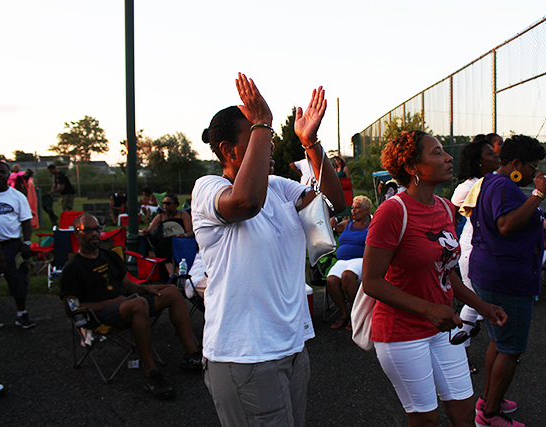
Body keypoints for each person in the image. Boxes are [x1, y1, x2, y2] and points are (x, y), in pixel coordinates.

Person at [192, 73, 344, 427]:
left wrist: (311, 144)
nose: (270, 143)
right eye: (259, 136)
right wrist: (264, 122)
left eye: (269, 136)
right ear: (229, 150)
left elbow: (332, 203)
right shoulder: (209, 188)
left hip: (290, 347)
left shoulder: (278, 186)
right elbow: (245, 202)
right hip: (245, 355)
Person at [362, 130, 507, 427]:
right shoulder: (392, 211)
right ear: (413, 167)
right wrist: (428, 309)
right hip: (401, 333)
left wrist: (482, 306)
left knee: (464, 414)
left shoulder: (444, 208)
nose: (449, 157)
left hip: (441, 329)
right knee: (426, 420)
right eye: (437, 152)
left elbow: (446, 271)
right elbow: (372, 281)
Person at [60, 213, 202, 399]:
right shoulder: (72, 268)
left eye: (97, 229)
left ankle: (192, 355)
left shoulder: (109, 256)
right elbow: (72, 309)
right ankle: (151, 374)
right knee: (138, 304)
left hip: (128, 305)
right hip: (100, 315)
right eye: (88, 230)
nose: (95, 234)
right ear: (77, 234)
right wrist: (110, 303)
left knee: (172, 292)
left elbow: (128, 286)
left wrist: (149, 289)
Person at [464, 134, 546, 427]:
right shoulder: (504, 186)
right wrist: (537, 195)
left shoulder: (489, 181)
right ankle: (489, 415)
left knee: (498, 342)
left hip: (491, 272)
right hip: (507, 278)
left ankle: (489, 400)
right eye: (532, 167)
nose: (534, 174)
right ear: (516, 163)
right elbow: (506, 225)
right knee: (510, 349)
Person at [451, 138, 500, 374]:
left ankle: (500, 352)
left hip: (491, 250)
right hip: (473, 249)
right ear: (479, 160)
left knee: (490, 302)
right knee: (473, 301)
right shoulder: (467, 187)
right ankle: (459, 356)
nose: (496, 156)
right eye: (490, 153)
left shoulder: (495, 181)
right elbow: (449, 217)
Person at [0, 161, 35, 328]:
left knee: (18, 279)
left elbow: (26, 221)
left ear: (8, 174)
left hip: (12, 244)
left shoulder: (17, 196)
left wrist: (26, 242)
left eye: (1, 172)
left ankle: (21, 314)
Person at [327, 195, 372, 330]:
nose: (353, 211)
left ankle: (357, 314)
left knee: (347, 276)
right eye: (352, 208)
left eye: (357, 208)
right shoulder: (348, 224)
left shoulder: (372, 225)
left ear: (366, 210)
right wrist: (332, 220)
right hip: (342, 261)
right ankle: (344, 314)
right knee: (331, 280)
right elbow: (332, 226)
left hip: (361, 260)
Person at [139, 194, 193, 277]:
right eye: (163, 203)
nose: (165, 206)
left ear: (175, 205)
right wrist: (145, 230)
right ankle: (173, 273)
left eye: (168, 203)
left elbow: (190, 232)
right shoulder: (159, 217)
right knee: (165, 244)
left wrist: (184, 235)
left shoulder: (183, 215)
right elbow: (149, 231)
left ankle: (173, 274)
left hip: (179, 241)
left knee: (167, 244)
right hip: (165, 242)